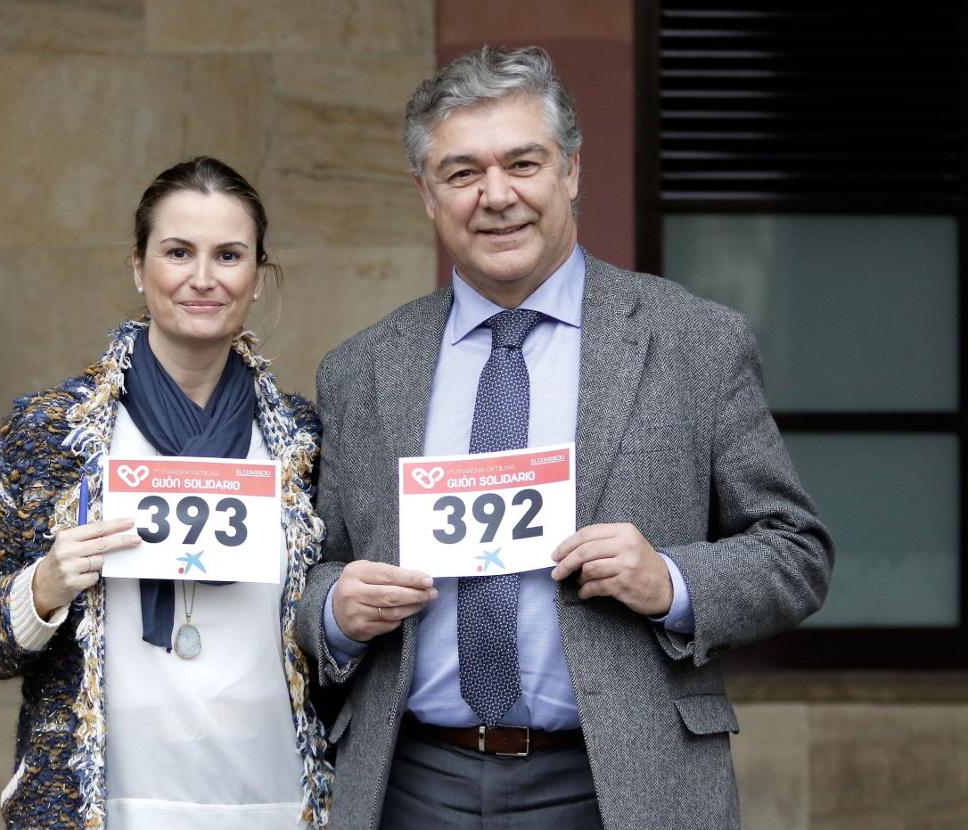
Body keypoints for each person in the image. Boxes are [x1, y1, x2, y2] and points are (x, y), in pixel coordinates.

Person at [294, 46, 832, 830]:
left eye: (523, 163)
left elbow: (796, 552)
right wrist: (334, 610)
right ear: (427, 195)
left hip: (621, 784)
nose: (497, 196)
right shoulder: (362, 368)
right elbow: (314, 569)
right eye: (462, 173)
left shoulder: (692, 341)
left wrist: (671, 581)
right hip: (411, 781)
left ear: (572, 171)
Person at [0, 156, 332, 829]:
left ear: (258, 276)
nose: (203, 278)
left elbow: (333, 618)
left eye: (229, 255)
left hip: (273, 794)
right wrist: (43, 587)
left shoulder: (302, 442)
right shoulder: (54, 432)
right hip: (105, 805)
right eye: (178, 252)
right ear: (137, 266)